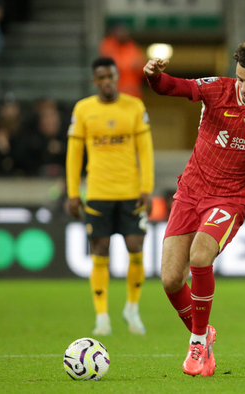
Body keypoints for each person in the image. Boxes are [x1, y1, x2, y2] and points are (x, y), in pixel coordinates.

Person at [143, 40, 245, 377]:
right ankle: (204, 333)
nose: (243, 88)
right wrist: (153, 77)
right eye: (240, 79)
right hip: (191, 191)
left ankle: (198, 341)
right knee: (172, 279)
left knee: (200, 256)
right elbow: (174, 86)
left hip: (230, 198)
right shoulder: (219, 89)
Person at [66, 57, 154, 336]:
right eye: (101, 77)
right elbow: (74, 154)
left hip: (130, 192)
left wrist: (147, 188)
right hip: (98, 192)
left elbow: (146, 151)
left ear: (117, 77)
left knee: (136, 246)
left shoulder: (134, 106)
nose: (107, 82)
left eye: (111, 77)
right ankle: (102, 315)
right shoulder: (83, 109)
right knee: (100, 251)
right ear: (95, 80)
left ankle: (132, 307)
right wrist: (72, 192)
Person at [99, 23, 146, 99]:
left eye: (124, 31)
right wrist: (129, 65)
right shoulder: (108, 45)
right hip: (113, 91)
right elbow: (112, 64)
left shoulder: (132, 46)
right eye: (119, 31)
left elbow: (142, 68)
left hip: (132, 91)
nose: (122, 34)